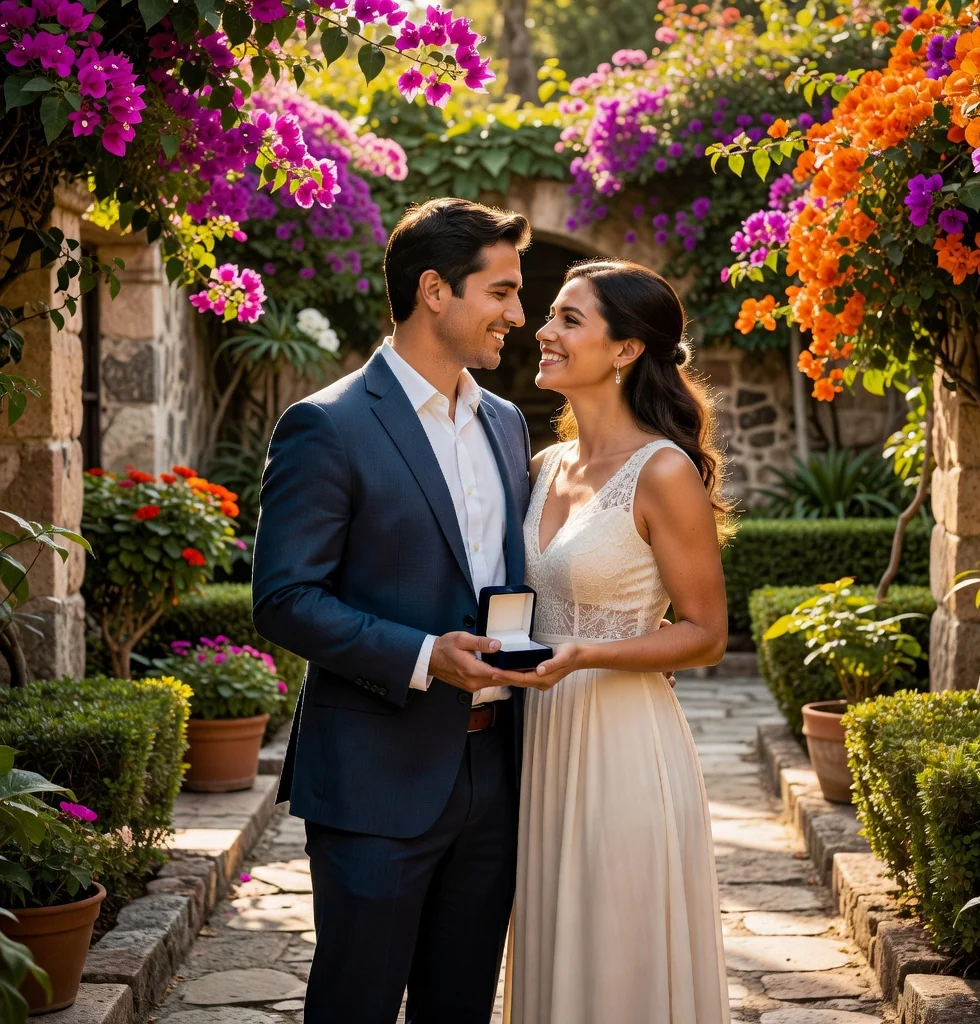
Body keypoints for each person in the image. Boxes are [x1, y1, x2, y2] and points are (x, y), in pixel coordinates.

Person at [251, 197, 536, 1024]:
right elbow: (284, 599)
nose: (518, 316)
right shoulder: (327, 425)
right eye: (502, 292)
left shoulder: (508, 425)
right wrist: (424, 657)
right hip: (375, 776)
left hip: (495, 773)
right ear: (435, 291)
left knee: (462, 1009)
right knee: (357, 1006)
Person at [493, 258, 733, 1024]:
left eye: (569, 319)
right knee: (553, 943)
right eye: (551, 315)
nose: (543, 330)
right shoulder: (541, 465)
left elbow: (706, 635)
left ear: (627, 349)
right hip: (538, 740)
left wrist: (589, 654)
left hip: (623, 745)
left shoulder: (663, 472)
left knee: (617, 951)